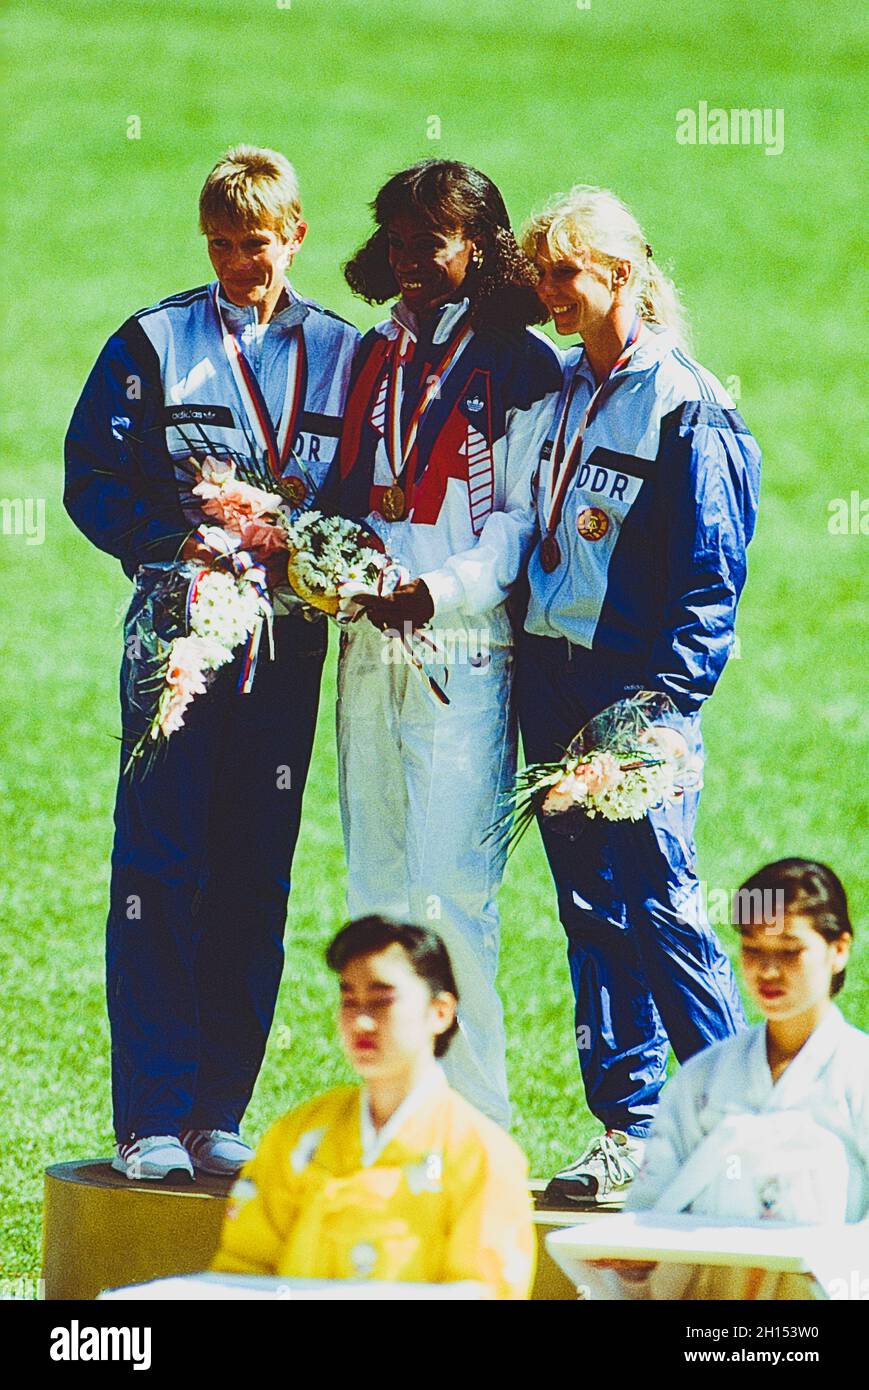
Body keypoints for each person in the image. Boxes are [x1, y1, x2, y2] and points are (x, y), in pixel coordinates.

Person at [64, 146, 360, 1180]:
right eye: (224, 247)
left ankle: (215, 1109)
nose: (242, 264)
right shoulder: (153, 341)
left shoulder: (342, 351)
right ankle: (149, 1114)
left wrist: (322, 549)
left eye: (260, 245)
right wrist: (182, 539)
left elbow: (367, 489)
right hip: (179, 641)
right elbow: (91, 478)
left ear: (297, 238)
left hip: (285, 650)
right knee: (158, 868)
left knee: (252, 872)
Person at [516, 186, 761, 1204]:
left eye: (565, 273)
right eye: (542, 275)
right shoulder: (562, 389)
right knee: (591, 911)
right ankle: (627, 1128)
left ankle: (740, 1135)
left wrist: (659, 712)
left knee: (662, 905)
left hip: (633, 696)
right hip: (548, 682)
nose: (550, 292)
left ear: (621, 273)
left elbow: (710, 579)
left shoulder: (687, 405)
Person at [326, 160, 562, 1129]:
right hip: (367, 652)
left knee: (450, 896)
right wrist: (330, 565)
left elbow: (516, 522)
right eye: (396, 237)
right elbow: (349, 492)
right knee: (378, 893)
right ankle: (393, 1119)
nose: (410, 256)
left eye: (432, 237)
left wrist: (440, 589)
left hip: (461, 652)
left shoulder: (520, 363)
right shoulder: (376, 354)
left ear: (479, 246)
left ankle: (477, 1130)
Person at [582, 859, 867, 1300]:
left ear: (839, 949)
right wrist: (634, 1257)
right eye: (754, 950)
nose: (768, 972)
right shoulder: (704, 1077)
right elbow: (650, 1209)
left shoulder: (858, 1072)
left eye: (789, 951)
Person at [210, 917, 535, 1298]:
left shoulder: (481, 1156)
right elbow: (241, 1271)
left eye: (382, 1000)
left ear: (441, 1012)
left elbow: (486, 1289)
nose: (361, 1020)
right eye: (349, 1000)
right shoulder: (298, 1136)